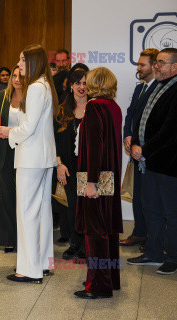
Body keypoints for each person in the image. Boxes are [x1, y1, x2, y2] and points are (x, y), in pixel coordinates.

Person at [0, 44, 58, 283]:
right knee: (41, 211)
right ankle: (42, 263)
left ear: (33, 62)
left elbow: (28, 127)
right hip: (43, 158)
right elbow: (36, 125)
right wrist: (15, 131)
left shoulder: (34, 87)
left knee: (26, 213)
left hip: (31, 158)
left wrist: (8, 133)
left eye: (22, 60)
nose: (19, 65)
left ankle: (28, 269)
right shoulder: (44, 85)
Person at [74, 67, 123, 299]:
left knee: (95, 232)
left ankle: (98, 286)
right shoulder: (114, 107)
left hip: (95, 177)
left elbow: (94, 146)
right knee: (108, 230)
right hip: (109, 176)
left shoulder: (94, 106)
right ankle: (110, 279)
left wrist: (91, 182)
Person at [128, 48, 177, 275]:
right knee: (152, 210)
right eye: (156, 62)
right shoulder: (158, 86)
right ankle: (154, 253)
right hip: (148, 162)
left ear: (174, 67)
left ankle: (173, 257)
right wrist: (136, 142)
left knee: (171, 213)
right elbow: (143, 120)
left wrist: (143, 149)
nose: (156, 66)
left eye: (161, 62)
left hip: (168, 165)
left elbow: (169, 131)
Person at [119, 48, 159, 247]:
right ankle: (139, 233)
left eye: (143, 65)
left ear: (154, 66)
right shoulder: (139, 88)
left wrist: (138, 142)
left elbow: (153, 122)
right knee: (138, 195)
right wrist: (128, 135)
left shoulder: (159, 88)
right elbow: (130, 115)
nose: (139, 68)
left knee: (150, 198)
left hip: (149, 152)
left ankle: (152, 238)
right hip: (135, 150)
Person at [0, 66, 22, 253]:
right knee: (5, 196)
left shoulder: (32, 98)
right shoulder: (2, 96)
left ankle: (23, 238)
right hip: (4, 152)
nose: (16, 79)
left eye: (20, 76)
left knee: (22, 197)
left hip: (25, 152)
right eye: (14, 76)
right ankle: (8, 238)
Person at [55, 68, 88, 260]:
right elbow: (54, 140)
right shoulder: (62, 109)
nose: (81, 87)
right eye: (78, 83)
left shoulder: (95, 107)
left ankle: (86, 245)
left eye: (85, 83)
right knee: (72, 208)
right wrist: (59, 164)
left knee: (86, 208)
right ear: (71, 86)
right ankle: (74, 243)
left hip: (88, 167)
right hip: (67, 167)